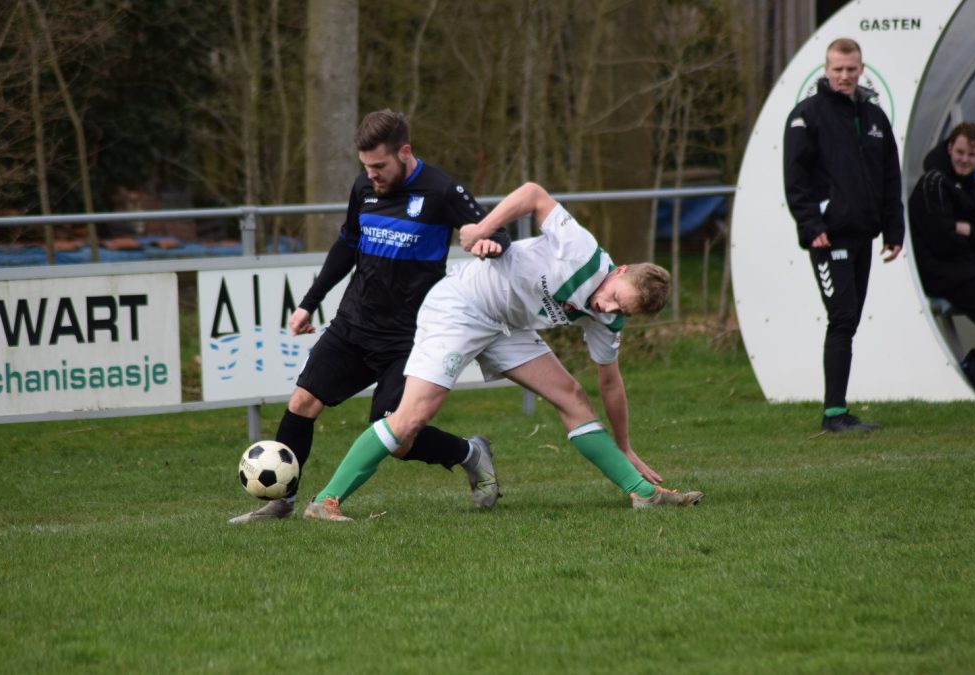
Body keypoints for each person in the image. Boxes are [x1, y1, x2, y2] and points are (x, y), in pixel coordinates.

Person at [303, 181, 704, 522]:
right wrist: (482, 228)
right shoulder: (582, 252)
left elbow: (610, 383)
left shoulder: (607, 320)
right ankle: (326, 501)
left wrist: (624, 445)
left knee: (573, 398)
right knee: (411, 419)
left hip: (504, 327)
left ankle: (642, 493)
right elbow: (533, 193)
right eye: (616, 298)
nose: (608, 308)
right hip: (460, 307)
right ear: (619, 271)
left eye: (623, 310)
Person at [229, 110, 512, 523]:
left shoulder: (441, 190)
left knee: (395, 436)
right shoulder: (364, 187)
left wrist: (491, 245)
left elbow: (496, 233)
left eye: (380, 166)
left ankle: (470, 452)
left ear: (405, 152)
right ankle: (282, 501)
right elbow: (346, 246)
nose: (372, 175)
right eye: (365, 167)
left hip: (409, 337)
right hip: (353, 324)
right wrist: (309, 302)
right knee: (302, 401)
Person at [782, 37, 904, 433]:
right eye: (838, 69)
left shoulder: (874, 117)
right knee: (843, 317)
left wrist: (893, 229)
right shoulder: (806, 116)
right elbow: (795, 178)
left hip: (864, 236)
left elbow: (890, 177)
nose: (845, 76)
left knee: (848, 321)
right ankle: (834, 414)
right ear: (826, 69)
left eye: (851, 69)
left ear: (862, 69)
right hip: (828, 238)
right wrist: (811, 226)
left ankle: (839, 411)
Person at [908, 121, 975, 325]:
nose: (965, 160)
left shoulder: (972, 186)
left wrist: (968, 229)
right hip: (943, 273)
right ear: (949, 148)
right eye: (960, 152)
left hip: (967, 267)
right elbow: (943, 242)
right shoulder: (933, 183)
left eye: (972, 155)